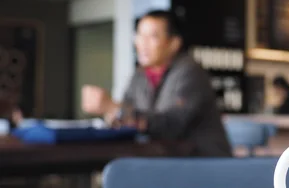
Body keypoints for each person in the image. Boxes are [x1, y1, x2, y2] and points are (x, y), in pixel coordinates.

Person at [81, 10, 232, 157]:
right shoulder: (139, 76)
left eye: (152, 36)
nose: (142, 43)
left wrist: (114, 108)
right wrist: (112, 116)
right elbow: (126, 112)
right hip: (164, 161)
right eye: (140, 35)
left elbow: (171, 126)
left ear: (174, 43)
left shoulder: (189, 72)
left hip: (203, 165)